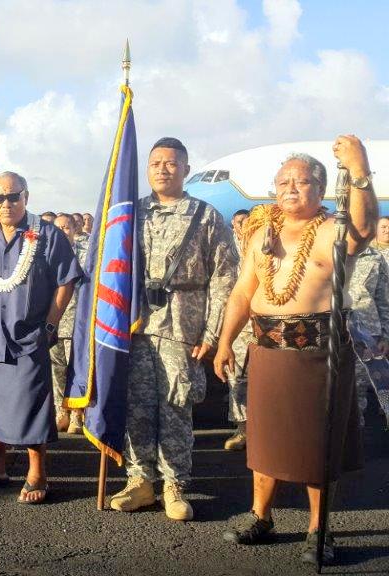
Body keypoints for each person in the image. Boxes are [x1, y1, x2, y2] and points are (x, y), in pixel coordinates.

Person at [215, 137, 374, 565]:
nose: (291, 188)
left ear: (320, 190)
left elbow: (363, 231)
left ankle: (318, 530)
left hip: (317, 354)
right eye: (284, 181)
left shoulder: (331, 230)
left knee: (315, 447)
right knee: (263, 441)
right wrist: (225, 340)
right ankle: (260, 517)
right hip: (266, 350)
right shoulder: (261, 234)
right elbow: (242, 292)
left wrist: (359, 171)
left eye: (302, 182)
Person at [108, 137, 238, 522]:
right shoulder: (130, 214)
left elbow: (224, 277)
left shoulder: (205, 215)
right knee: (136, 407)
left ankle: (174, 484)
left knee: (176, 407)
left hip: (182, 326)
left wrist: (213, 333)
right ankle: (140, 481)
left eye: (171, 163)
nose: (163, 169)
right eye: (156, 163)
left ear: (185, 168)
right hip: (134, 326)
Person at [0, 172, 81, 504]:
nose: (6, 204)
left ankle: (37, 471)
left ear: (26, 197)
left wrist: (51, 326)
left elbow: (65, 282)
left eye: (13, 197)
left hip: (30, 336)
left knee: (32, 403)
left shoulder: (47, 235)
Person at [49, 213, 87, 434]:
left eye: (66, 227)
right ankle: (60, 411)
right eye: (59, 227)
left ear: (74, 230)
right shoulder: (48, 255)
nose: (63, 231)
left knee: (77, 371)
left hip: (77, 324)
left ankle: (77, 414)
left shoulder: (85, 256)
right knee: (57, 371)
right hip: (54, 323)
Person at [347, 244, 389, 427]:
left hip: (366, 330)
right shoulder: (327, 247)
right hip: (330, 328)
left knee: (358, 386)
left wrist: (386, 335)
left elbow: (383, 299)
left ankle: (356, 431)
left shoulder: (376, 257)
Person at [224, 207, 253, 451]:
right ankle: (242, 429)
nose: (245, 225)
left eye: (249, 221)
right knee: (237, 378)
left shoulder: (267, 246)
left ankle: (265, 429)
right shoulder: (228, 249)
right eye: (241, 221)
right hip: (238, 327)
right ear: (234, 224)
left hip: (265, 325)